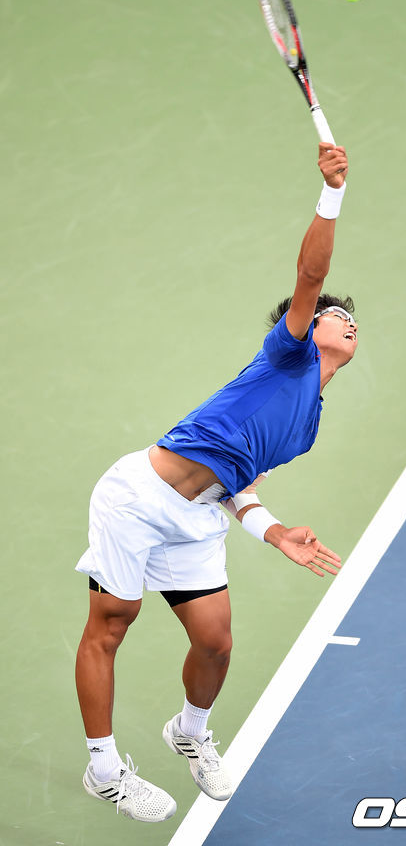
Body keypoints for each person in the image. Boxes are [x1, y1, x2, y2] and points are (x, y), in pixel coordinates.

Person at [75, 141, 357, 822]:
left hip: (194, 518)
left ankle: (190, 733)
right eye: (335, 313)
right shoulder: (286, 356)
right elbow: (311, 272)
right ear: (305, 324)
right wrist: (332, 193)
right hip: (138, 497)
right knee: (113, 622)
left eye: (355, 322)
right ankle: (103, 769)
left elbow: (237, 485)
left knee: (215, 640)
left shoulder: (306, 427)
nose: (349, 321)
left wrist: (274, 532)